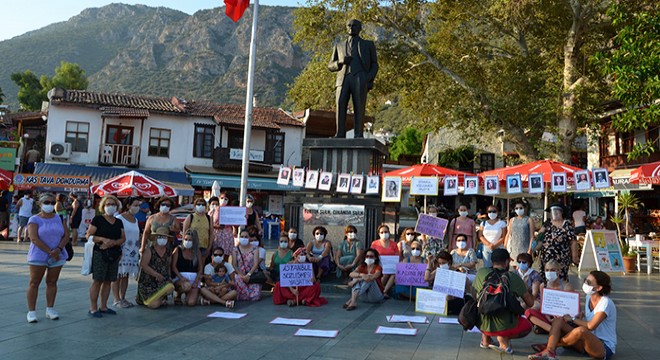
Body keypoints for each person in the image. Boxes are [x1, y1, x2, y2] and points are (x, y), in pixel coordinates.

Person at [528, 271, 616, 360]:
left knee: (581, 331)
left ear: (599, 288)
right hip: (585, 343)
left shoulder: (606, 302)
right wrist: (580, 315)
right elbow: (594, 315)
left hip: (603, 347)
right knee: (558, 320)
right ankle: (549, 351)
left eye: (588, 283)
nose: (585, 284)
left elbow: (591, 326)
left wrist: (572, 319)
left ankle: (550, 347)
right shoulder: (589, 297)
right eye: (585, 280)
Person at [475, 249, 535, 354]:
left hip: (481, 323)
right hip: (504, 325)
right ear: (507, 262)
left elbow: (474, 294)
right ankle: (503, 338)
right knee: (527, 326)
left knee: (485, 304)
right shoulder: (514, 277)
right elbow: (530, 303)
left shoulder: (481, 272)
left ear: (492, 260)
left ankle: (485, 340)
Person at [328, 18, 378, 138]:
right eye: (349, 25)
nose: (351, 27)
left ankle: (358, 134)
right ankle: (340, 133)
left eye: (354, 26)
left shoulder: (368, 44)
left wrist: (367, 78)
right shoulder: (338, 46)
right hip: (343, 79)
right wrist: (340, 62)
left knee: (359, 106)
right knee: (340, 105)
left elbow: (375, 64)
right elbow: (330, 65)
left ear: (360, 29)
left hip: (360, 78)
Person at [25, 193, 70, 323]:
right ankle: (31, 311)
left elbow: (66, 235)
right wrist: (50, 251)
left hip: (58, 254)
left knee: (52, 282)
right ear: (40, 204)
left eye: (52, 202)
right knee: (34, 282)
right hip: (39, 255)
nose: (50, 205)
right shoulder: (34, 219)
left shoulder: (59, 218)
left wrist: (58, 249)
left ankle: (50, 309)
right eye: (47, 202)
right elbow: (34, 238)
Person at [87, 195, 125, 318]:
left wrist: (113, 243)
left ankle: (103, 306)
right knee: (98, 280)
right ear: (103, 206)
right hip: (100, 253)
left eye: (113, 205)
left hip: (114, 253)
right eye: (108, 204)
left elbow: (123, 238)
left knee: (108, 280)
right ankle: (93, 308)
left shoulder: (119, 221)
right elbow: (89, 235)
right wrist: (103, 240)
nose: (110, 207)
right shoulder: (98, 219)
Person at [524, 259, 573, 334]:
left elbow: (572, 308)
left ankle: (549, 329)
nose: (549, 272)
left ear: (558, 271)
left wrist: (560, 315)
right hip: (548, 317)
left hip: (562, 318)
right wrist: (547, 317)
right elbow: (544, 305)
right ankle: (552, 330)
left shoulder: (566, 287)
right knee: (528, 312)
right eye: (547, 270)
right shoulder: (543, 286)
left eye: (552, 270)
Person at [538, 204, 579, 282]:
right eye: (553, 211)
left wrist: (574, 256)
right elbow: (539, 237)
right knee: (545, 277)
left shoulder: (567, 225)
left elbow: (573, 241)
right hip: (546, 256)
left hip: (561, 257)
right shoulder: (547, 223)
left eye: (557, 211)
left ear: (561, 212)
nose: (555, 213)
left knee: (560, 277)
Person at [111, 197, 140, 309]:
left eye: (138, 205)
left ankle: (123, 297)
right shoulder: (119, 218)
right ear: (128, 205)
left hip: (132, 251)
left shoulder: (135, 220)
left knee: (126, 275)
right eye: (135, 205)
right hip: (121, 250)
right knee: (118, 275)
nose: (137, 207)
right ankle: (116, 298)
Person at [424, 250, 473, 315]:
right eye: (440, 263)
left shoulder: (457, 271)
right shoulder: (438, 271)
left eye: (443, 263)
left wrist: (462, 277)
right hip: (441, 300)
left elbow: (468, 285)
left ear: (449, 262)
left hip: (454, 300)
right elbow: (427, 278)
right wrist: (429, 263)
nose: (441, 265)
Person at [136, 227, 174, 309]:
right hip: (148, 282)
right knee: (154, 305)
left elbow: (168, 266)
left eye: (164, 237)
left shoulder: (168, 252)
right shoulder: (149, 250)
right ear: (156, 238)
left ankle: (160, 298)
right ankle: (148, 299)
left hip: (162, 281)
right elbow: (143, 264)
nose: (162, 239)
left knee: (170, 288)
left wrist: (169, 276)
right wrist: (155, 274)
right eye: (160, 237)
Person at [171, 229, 204, 306]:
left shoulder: (197, 252)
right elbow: (173, 266)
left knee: (191, 303)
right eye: (186, 239)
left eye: (190, 240)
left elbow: (200, 268)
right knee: (186, 286)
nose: (187, 241)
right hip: (180, 278)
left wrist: (196, 281)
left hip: (194, 279)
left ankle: (190, 295)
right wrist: (181, 278)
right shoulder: (177, 250)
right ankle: (178, 294)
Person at [232, 229, 262, 301]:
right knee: (236, 278)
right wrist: (241, 275)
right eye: (242, 236)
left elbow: (256, 264)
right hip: (240, 275)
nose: (244, 238)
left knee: (256, 296)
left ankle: (246, 295)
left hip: (252, 275)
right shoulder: (235, 249)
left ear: (249, 238)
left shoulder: (255, 249)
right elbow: (234, 264)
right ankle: (245, 295)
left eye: (246, 237)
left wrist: (248, 275)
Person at [370, 224, 400, 298]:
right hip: (378, 265)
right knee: (385, 273)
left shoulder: (394, 244)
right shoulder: (375, 244)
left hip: (391, 266)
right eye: (382, 232)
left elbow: (397, 256)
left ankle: (384, 291)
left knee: (393, 274)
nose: (384, 234)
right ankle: (380, 290)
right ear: (379, 234)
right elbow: (371, 255)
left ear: (389, 232)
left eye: (386, 232)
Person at [209, 194, 236, 262]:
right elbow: (209, 223)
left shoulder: (231, 210)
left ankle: (224, 269)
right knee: (215, 254)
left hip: (227, 235)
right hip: (217, 235)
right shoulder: (213, 210)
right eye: (222, 198)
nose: (223, 200)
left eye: (226, 199)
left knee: (226, 255)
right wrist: (216, 226)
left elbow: (235, 222)